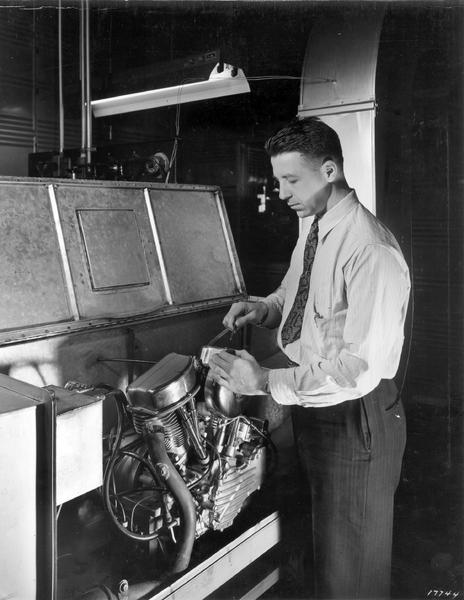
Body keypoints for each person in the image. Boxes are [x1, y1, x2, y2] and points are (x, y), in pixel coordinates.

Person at [209, 117, 410, 599]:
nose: (280, 192)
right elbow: (296, 290)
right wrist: (263, 309)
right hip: (315, 409)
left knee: (351, 576)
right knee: (320, 559)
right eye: (278, 180)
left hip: (354, 418)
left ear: (329, 170)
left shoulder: (371, 250)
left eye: (291, 180)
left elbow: (354, 371)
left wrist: (261, 382)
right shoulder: (315, 226)